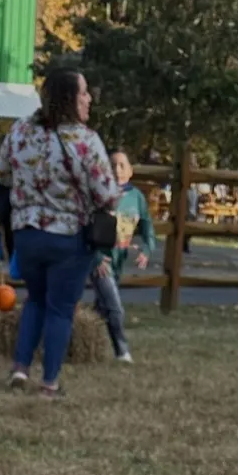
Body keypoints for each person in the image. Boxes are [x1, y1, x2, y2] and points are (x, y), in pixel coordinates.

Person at [0, 64, 119, 399]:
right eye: (83, 92)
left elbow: (2, 175)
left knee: (35, 300)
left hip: (26, 234)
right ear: (69, 98)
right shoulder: (85, 141)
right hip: (69, 237)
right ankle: (49, 382)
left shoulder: (20, 132)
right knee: (61, 308)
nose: (89, 99)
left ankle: (20, 368)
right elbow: (106, 194)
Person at [89, 148, 156, 364]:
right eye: (113, 165)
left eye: (122, 165)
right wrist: (96, 256)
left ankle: (79, 343)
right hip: (100, 261)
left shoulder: (137, 198)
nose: (117, 170)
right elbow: (86, 227)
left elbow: (147, 226)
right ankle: (122, 352)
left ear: (131, 171)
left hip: (119, 260)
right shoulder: (100, 196)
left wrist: (146, 250)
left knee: (101, 309)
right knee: (115, 307)